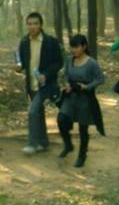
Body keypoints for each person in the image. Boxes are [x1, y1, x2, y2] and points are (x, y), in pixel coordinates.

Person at [15, 12, 63, 154]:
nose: (32, 26)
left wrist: (46, 75)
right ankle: (43, 142)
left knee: (32, 110)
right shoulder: (24, 42)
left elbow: (59, 62)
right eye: (29, 24)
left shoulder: (51, 42)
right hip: (31, 84)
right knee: (38, 112)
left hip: (46, 84)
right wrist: (19, 67)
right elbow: (23, 62)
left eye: (35, 23)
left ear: (41, 25)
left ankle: (32, 143)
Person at [57, 35, 105, 168]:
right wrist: (66, 84)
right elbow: (66, 75)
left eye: (77, 47)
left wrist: (87, 86)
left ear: (84, 46)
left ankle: (82, 156)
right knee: (61, 119)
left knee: (83, 128)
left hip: (85, 98)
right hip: (71, 96)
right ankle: (68, 145)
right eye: (72, 47)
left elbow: (100, 79)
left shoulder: (91, 63)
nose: (74, 50)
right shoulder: (69, 60)